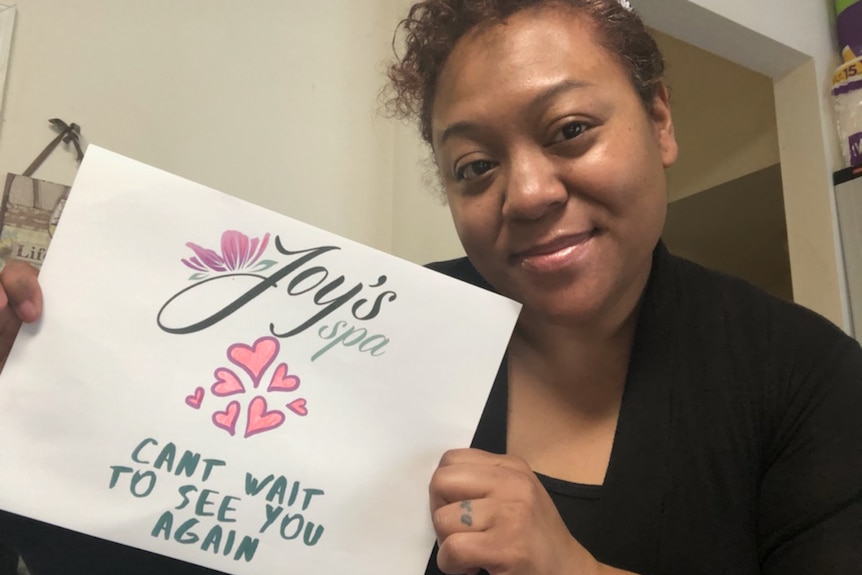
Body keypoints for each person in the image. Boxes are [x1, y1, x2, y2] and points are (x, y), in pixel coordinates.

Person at [1, 0, 861, 574]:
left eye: (570, 129)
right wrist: (28, 396)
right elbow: (172, 533)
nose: (526, 193)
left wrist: (575, 568)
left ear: (660, 120)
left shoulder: (804, 380)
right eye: (475, 165)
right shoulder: (367, 329)